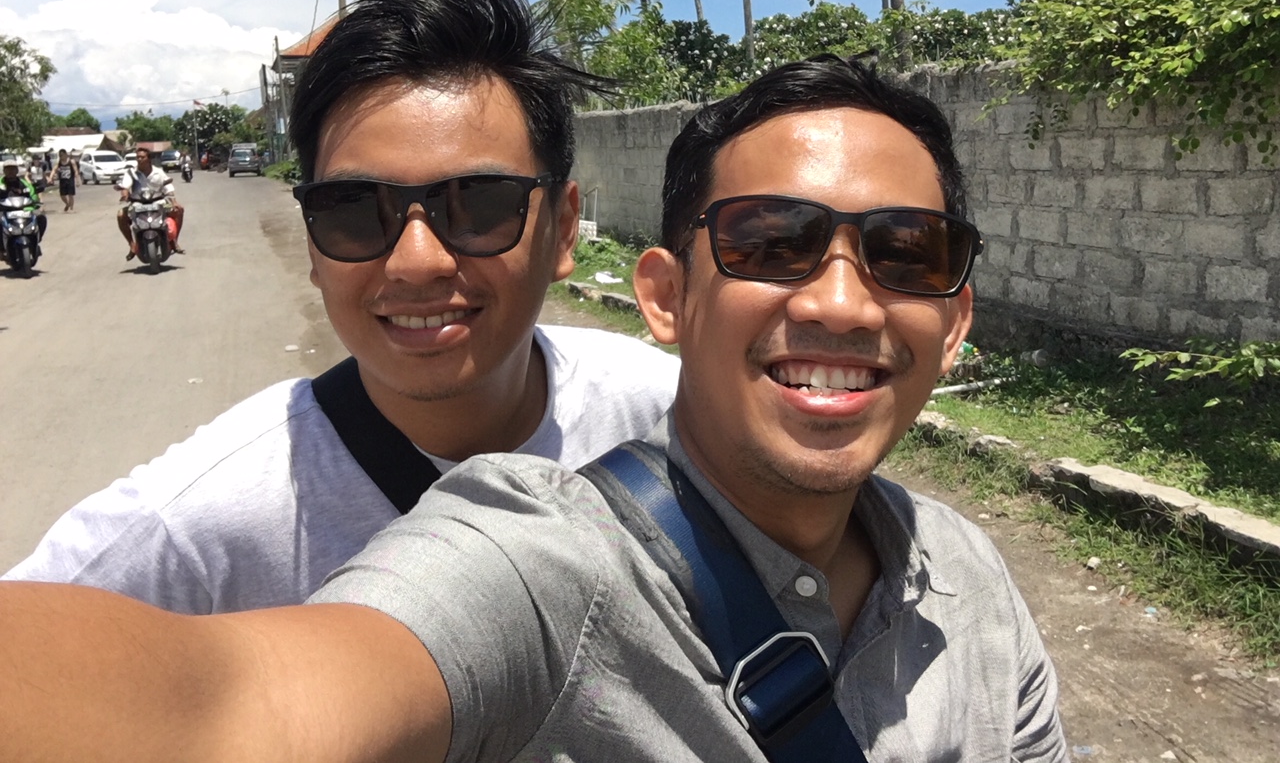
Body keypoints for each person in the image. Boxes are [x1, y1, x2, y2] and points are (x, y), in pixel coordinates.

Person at [0, 53, 1066, 761]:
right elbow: (239, 703)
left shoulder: (968, 576)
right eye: (770, 242)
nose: (840, 302)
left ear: (954, 320)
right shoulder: (537, 556)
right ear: (666, 297)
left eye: (905, 253)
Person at [3, 0, 681, 614]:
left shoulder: (668, 416)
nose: (417, 262)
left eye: (478, 203)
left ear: (562, 230)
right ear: (312, 244)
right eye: (353, 211)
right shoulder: (203, 520)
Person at [116, 145, 184, 258]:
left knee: (179, 210)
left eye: (142, 157)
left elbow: (168, 187)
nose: (139, 159)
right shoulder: (131, 172)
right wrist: (124, 193)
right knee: (120, 215)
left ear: (149, 159)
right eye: (138, 157)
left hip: (159, 202)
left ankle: (174, 241)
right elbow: (125, 185)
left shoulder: (159, 172)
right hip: (137, 203)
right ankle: (132, 244)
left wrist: (174, 202)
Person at [1, 160, 47, 241]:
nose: (10, 171)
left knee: (41, 217)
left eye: (13, 169)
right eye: (8, 169)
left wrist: (34, 203)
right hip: (4, 211)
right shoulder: (0, 183)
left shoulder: (25, 183)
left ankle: (36, 239)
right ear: (4, 171)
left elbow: (33, 195)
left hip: (23, 210)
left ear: (17, 170)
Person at [54, 147, 79, 212]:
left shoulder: (71, 161)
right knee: (62, 195)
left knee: (70, 195)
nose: (61, 157)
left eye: (62, 155)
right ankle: (67, 204)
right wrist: (52, 177)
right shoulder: (59, 162)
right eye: (60, 155)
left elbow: (76, 171)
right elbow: (55, 169)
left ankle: (71, 208)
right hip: (62, 180)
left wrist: (77, 180)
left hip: (70, 180)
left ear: (65, 154)